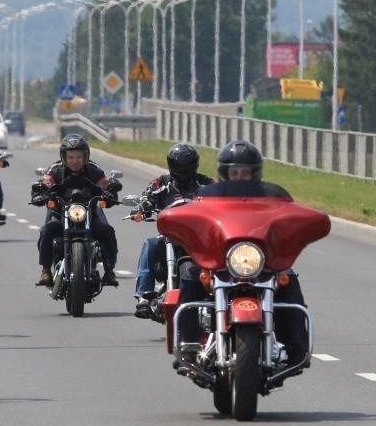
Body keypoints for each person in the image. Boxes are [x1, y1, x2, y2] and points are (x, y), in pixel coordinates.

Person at [176, 140, 309, 365]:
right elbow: (195, 221)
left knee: (289, 278)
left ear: (255, 173)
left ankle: (297, 346)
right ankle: (188, 342)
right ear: (224, 172)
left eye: (245, 172)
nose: (239, 176)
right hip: (221, 260)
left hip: (260, 260)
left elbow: (287, 220)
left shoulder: (272, 195)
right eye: (234, 171)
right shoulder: (207, 195)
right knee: (190, 274)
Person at [132, 144, 214, 318]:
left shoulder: (207, 183)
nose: (183, 170)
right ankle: (144, 297)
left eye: (187, 166)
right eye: (179, 166)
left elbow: (222, 198)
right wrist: (141, 208)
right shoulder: (161, 183)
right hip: (169, 238)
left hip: (199, 239)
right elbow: (147, 198)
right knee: (150, 244)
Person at [31, 134, 121, 286]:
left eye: (79, 157)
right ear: (64, 157)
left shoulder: (94, 170)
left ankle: (109, 271)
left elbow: (104, 183)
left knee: (107, 231)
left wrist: (110, 190)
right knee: (47, 231)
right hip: (61, 215)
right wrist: (40, 191)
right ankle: (46, 271)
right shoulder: (56, 169)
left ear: (85, 157)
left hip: (89, 215)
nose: (75, 161)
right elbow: (46, 181)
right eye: (71, 157)